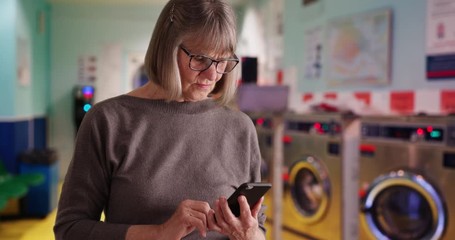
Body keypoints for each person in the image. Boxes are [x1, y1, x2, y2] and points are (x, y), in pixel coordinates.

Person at [53, 0, 267, 239]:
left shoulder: (239, 128)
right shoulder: (108, 121)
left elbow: (257, 228)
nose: (212, 75)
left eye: (222, 61)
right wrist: (159, 233)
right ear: (167, 49)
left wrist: (250, 235)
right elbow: (70, 230)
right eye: (200, 59)